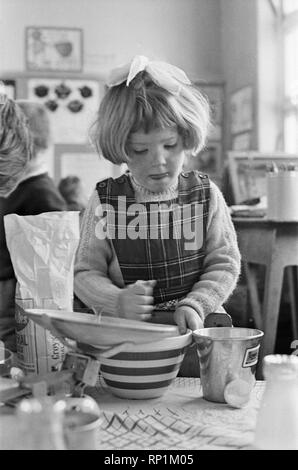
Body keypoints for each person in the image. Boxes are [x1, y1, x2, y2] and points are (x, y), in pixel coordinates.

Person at [74, 55, 241, 336]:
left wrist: (197, 304)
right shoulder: (106, 202)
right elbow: (84, 273)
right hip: (129, 333)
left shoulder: (206, 195)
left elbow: (224, 262)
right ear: (121, 149)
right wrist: (116, 301)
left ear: (186, 138)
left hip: (195, 327)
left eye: (170, 145)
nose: (159, 160)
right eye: (141, 150)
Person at [0, 98, 66, 351]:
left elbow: (53, 259)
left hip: (16, 289)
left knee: (10, 343)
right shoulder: (13, 185)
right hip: (5, 283)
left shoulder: (41, 193)